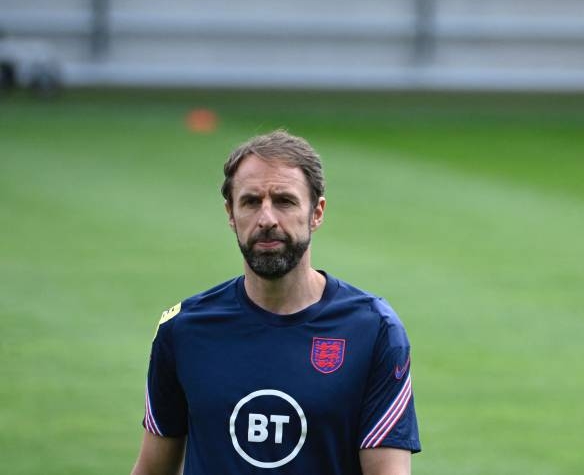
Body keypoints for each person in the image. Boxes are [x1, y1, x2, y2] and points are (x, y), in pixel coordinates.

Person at [131, 130, 420, 475]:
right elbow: (152, 469)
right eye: (251, 202)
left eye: (284, 201)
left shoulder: (373, 331)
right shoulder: (183, 330)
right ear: (230, 213)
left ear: (317, 212)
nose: (267, 219)